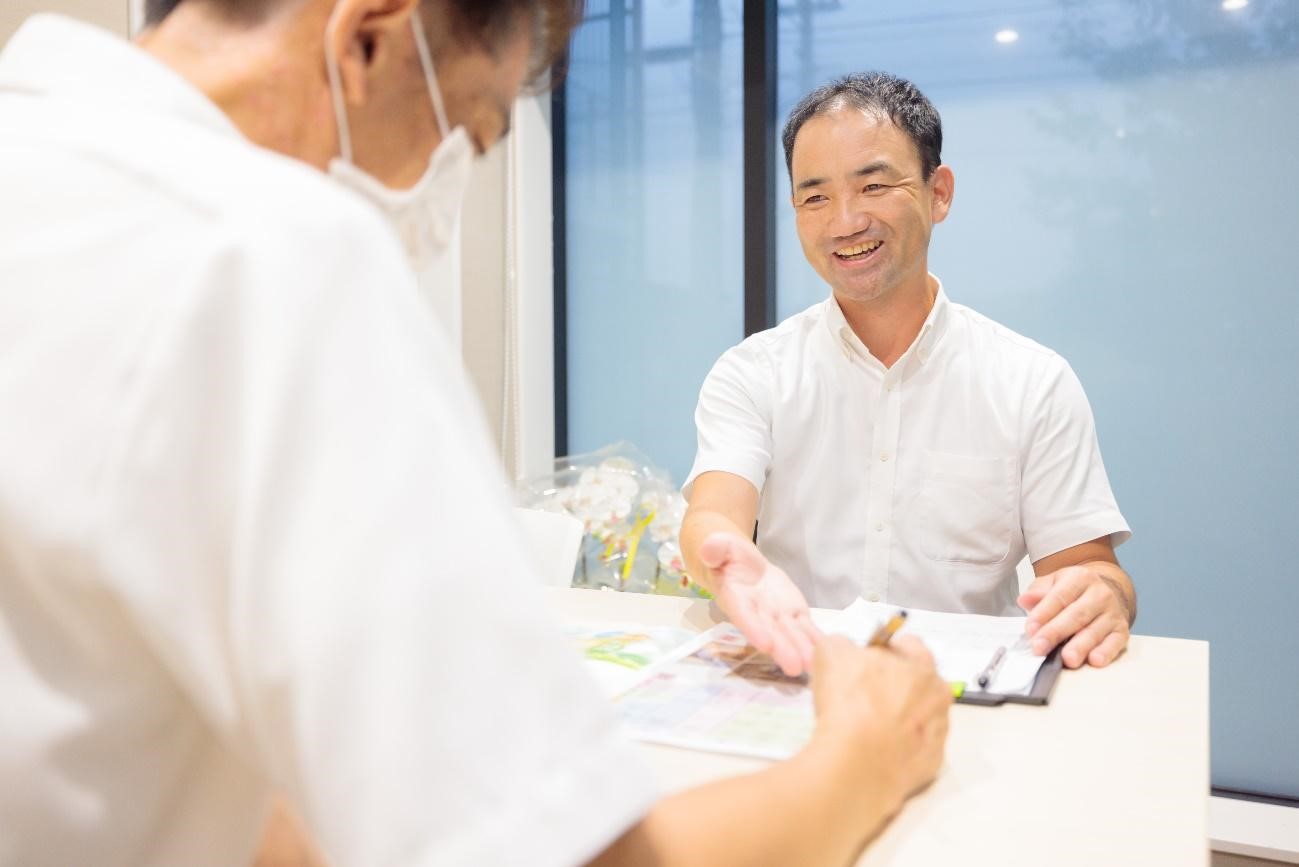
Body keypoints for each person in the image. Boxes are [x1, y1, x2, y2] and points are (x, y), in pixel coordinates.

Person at [0, 5, 951, 866]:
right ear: (366, 39)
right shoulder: (274, 250)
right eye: (464, 136)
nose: (438, 204)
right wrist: (865, 755)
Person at [681, 72, 1136, 679]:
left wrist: (1107, 597)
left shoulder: (1032, 381)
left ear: (938, 192)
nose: (844, 221)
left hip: (969, 704)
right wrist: (726, 558)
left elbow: (1089, 569)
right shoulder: (753, 373)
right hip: (797, 683)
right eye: (815, 197)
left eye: (873, 185)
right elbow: (714, 516)